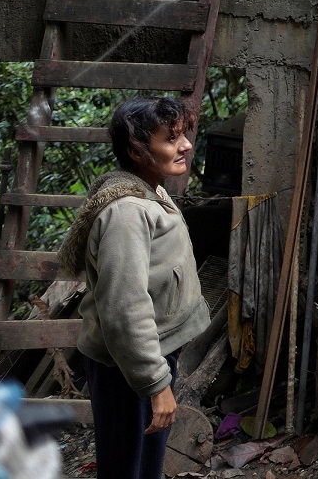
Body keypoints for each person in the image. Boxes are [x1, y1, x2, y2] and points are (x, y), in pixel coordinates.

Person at [58, 97, 209, 479]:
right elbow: (124, 308)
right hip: (129, 365)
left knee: (143, 465)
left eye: (184, 136)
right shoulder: (126, 213)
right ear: (137, 151)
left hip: (144, 356)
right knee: (130, 468)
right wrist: (155, 383)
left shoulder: (150, 191)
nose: (186, 145)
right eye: (171, 139)